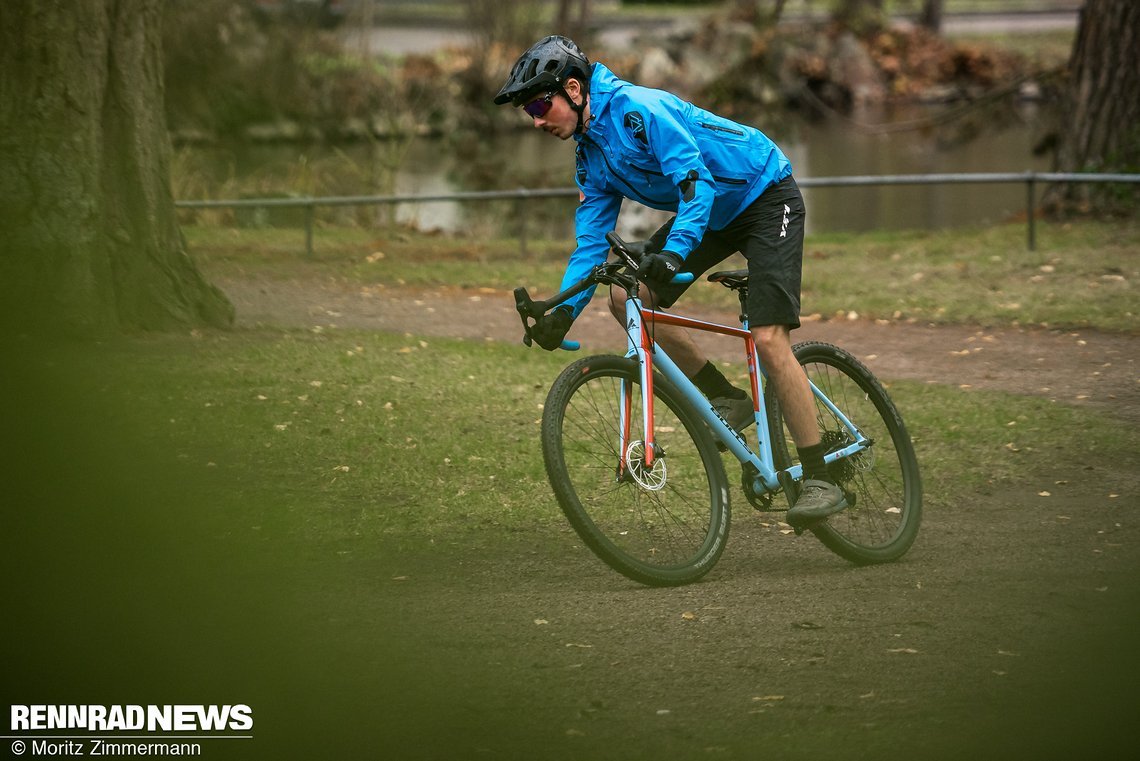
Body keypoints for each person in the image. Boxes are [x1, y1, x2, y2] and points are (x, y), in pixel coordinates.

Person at [494, 35, 845, 526]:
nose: (535, 119)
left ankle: (818, 477)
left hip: (764, 195)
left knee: (768, 337)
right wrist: (560, 314)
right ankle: (724, 395)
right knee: (625, 297)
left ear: (573, 89)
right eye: (528, 111)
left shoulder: (640, 109)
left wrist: (675, 250)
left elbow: (695, 183)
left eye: (538, 104)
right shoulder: (588, 155)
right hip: (711, 215)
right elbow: (591, 246)